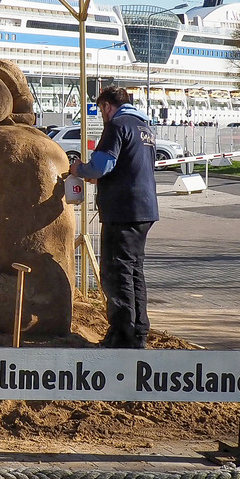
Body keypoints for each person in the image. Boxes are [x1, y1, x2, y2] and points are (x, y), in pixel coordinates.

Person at [69, 87, 159, 348]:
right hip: (144, 209)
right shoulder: (145, 128)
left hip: (123, 209)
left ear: (108, 106)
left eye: (100, 110)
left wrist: (78, 168)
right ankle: (139, 331)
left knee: (117, 272)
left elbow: (101, 166)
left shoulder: (117, 125)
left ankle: (122, 335)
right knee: (133, 271)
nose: (101, 116)